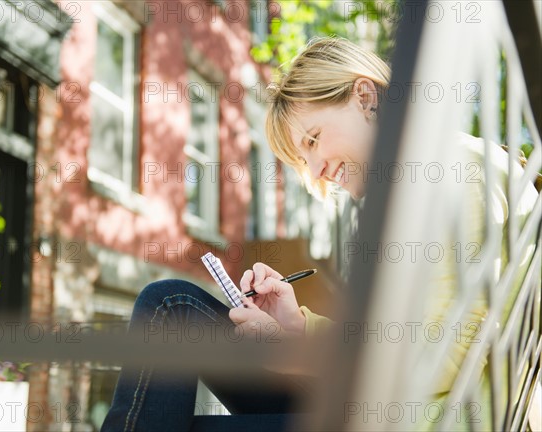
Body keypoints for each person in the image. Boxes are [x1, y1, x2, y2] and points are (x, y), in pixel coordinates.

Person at [101, 37, 539, 431]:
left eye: (312, 140)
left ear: (365, 98)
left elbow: (439, 360)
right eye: (302, 159)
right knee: (172, 306)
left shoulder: (453, 177)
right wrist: (294, 324)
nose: (316, 172)